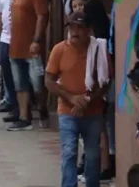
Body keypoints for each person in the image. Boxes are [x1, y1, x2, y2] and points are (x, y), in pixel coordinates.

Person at [47, 12, 109, 187]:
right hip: (67, 111)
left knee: (93, 154)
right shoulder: (59, 49)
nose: (75, 32)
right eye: (72, 27)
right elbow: (49, 81)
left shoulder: (99, 51)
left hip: (93, 112)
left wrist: (86, 101)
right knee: (69, 152)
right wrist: (72, 98)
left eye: (80, 28)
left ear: (89, 31)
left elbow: (106, 83)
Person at [7, 0, 50, 131]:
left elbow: (42, 16)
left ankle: (42, 108)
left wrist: (37, 39)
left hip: (32, 47)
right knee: (20, 83)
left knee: (37, 83)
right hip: (15, 46)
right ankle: (25, 117)